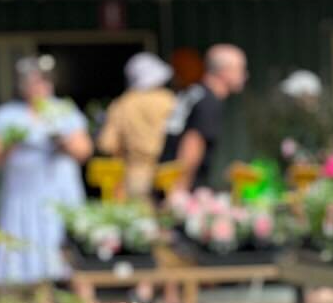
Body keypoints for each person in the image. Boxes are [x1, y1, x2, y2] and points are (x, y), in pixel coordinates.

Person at [0, 57, 91, 303]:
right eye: (32, 82)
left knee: (68, 243)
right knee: (33, 243)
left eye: (42, 81)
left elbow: (84, 150)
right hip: (24, 192)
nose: (37, 87)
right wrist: (11, 142)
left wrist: (62, 140)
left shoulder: (63, 111)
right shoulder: (7, 114)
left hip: (60, 190)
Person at [161, 43, 248, 193]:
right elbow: (192, 144)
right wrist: (178, 192)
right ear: (224, 72)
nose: (245, 75)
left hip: (165, 179)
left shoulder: (196, 92)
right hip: (178, 187)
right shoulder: (209, 102)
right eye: (240, 69)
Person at [96, 51, 177, 199]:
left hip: (136, 175)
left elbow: (107, 144)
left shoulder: (122, 104)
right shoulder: (169, 101)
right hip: (170, 174)